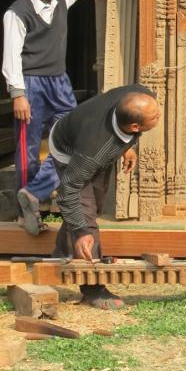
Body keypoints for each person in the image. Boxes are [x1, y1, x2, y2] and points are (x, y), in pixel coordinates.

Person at [3, 0, 135, 235]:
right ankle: (26, 213)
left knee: (75, 140)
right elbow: (10, 55)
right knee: (27, 150)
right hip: (30, 84)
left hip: (59, 82)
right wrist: (18, 94)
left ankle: (33, 193)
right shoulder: (16, 13)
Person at [49, 84, 159, 309]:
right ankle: (93, 289)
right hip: (69, 152)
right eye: (155, 116)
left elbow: (127, 130)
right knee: (86, 220)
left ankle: (55, 262)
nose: (159, 114)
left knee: (93, 206)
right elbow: (68, 189)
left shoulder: (139, 95)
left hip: (93, 143)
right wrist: (81, 231)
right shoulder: (95, 149)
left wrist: (126, 147)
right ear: (135, 126)